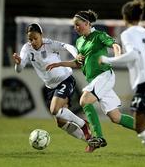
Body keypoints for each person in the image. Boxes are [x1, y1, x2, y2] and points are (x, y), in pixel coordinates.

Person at [46, 10, 135, 152]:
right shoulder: (79, 42)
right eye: (74, 25)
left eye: (78, 24)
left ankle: (98, 138)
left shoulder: (98, 35)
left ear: (87, 23)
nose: (75, 28)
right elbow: (78, 63)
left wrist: (117, 55)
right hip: (95, 80)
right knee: (115, 117)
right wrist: (59, 64)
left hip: (104, 75)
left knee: (84, 101)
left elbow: (115, 45)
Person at [99, 0, 145, 166]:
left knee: (140, 126)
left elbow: (134, 55)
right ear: (140, 16)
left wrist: (108, 60)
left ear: (124, 17)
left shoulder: (128, 33)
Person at [12, 23, 93, 152]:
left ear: (41, 35)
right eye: (30, 39)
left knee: (54, 109)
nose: (33, 41)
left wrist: (76, 55)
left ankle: (83, 124)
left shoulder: (49, 44)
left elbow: (68, 46)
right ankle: (90, 140)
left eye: (35, 38)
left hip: (65, 80)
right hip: (50, 87)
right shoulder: (27, 48)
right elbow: (19, 69)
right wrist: (18, 63)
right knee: (60, 123)